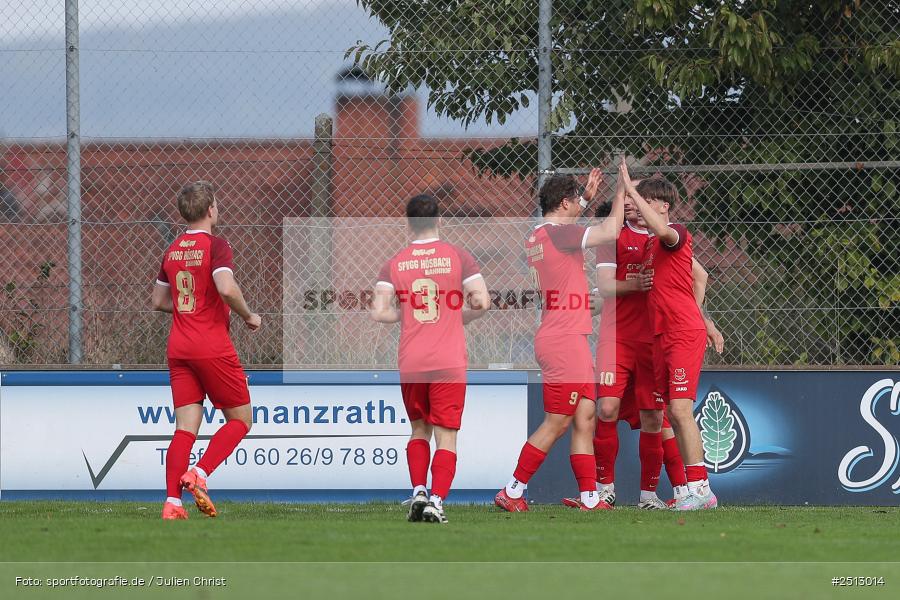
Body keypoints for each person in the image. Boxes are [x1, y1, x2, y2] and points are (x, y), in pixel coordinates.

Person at [495, 169, 623, 512]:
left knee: (585, 416)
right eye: (576, 199)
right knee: (558, 421)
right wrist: (623, 192)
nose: (580, 203)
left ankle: (589, 498)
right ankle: (512, 490)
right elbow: (610, 230)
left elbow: (567, 224)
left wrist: (585, 199)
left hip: (564, 335)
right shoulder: (559, 234)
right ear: (564, 203)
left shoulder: (539, 234)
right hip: (564, 339)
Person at [590, 184, 724, 510]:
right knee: (618, 410)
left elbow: (698, 276)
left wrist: (701, 319)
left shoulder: (669, 235)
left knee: (667, 415)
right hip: (633, 338)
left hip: (669, 336)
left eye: (641, 199)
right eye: (630, 198)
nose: (634, 204)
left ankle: (682, 491)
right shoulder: (634, 240)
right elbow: (606, 287)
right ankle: (610, 489)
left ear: (661, 206)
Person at [371, 194, 489, 524]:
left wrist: (407, 314)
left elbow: (378, 312)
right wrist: (456, 316)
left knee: (418, 429)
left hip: (413, 360)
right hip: (448, 358)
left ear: (408, 224)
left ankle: (419, 491)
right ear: (440, 220)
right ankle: (436, 501)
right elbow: (482, 301)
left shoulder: (395, 262)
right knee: (446, 434)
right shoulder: (458, 256)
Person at [151, 181, 261, 520]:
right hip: (210, 345)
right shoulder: (217, 246)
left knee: (185, 428)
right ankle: (199, 473)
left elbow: (159, 301)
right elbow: (226, 288)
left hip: (179, 346)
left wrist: (191, 307)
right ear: (211, 209)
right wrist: (248, 315)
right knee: (241, 420)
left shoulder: (172, 249)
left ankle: (172, 503)